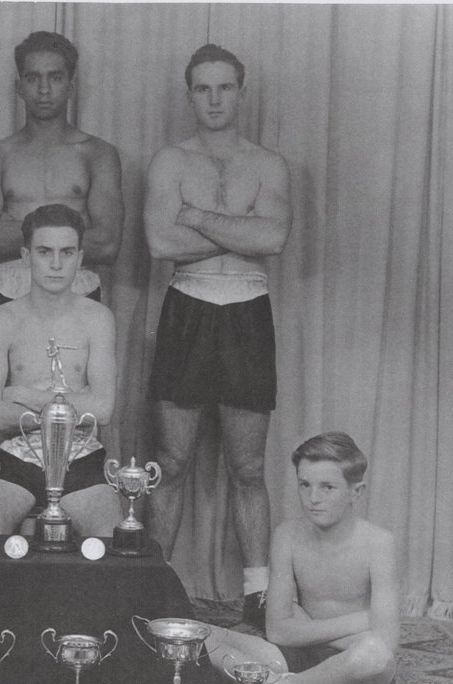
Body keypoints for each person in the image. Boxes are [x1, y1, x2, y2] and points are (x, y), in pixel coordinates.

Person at [143, 44, 292, 629]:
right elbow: (160, 245)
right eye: (202, 89)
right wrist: (242, 231)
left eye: (223, 88)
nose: (213, 99)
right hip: (188, 307)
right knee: (172, 462)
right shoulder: (169, 162)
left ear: (241, 92)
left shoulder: (270, 164)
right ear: (189, 95)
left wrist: (200, 217)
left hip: (248, 310)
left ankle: (258, 596)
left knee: (248, 467)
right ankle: (153, 586)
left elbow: (275, 240)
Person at [203, 432, 399, 684]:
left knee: (373, 654)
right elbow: (279, 632)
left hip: (355, 667)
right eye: (304, 485)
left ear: (356, 492)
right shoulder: (287, 535)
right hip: (297, 656)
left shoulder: (379, 543)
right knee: (195, 633)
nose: (313, 499)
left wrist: (302, 623)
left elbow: (385, 641)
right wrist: (362, 621)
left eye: (327, 487)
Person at [0, 204, 122, 535]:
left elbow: (103, 409)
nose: (56, 264)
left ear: (80, 257)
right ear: (26, 256)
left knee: (116, 542)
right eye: (45, 252)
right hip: (14, 459)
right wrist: (69, 401)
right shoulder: (2, 320)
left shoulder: (98, 319)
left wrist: (24, 396)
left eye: (67, 252)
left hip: (79, 459)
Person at [0, 31, 123, 316]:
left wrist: (17, 228)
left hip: (79, 288)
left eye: (55, 77)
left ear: (70, 86)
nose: (43, 89)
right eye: (33, 78)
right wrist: (70, 236)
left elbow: (108, 244)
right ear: (19, 87)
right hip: (9, 289)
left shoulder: (98, 154)